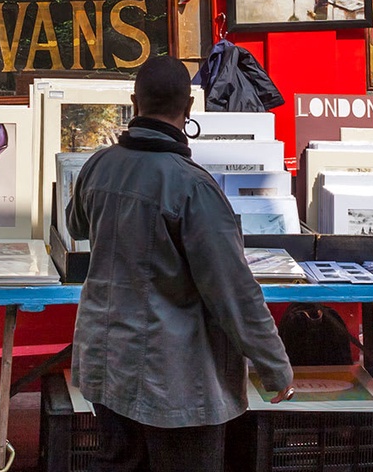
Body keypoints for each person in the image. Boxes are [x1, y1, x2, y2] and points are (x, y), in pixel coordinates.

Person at [67, 55, 294, 471]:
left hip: (106, 363)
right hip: (174, 380)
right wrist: (275, 367)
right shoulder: (193, 187)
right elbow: (234, 293)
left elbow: (75, 224)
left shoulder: (98, 166)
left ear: (135, 103)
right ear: (188, 108)